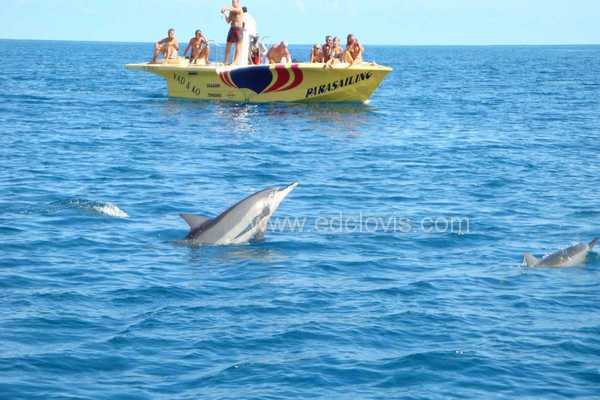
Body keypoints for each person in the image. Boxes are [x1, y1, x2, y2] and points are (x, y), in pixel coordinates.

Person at [221, 0, 244, 65]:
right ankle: (226, 61)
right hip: (232, 29)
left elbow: (234, 10)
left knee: (238, 47)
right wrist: (224, 13)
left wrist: (225, 8)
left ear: (238, 2)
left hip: (238, 29)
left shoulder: (240, 8)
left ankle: (235, 62)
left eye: (234, 2)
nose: (232, 3)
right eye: (232, 2)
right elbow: (228, 21)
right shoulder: (231, 11)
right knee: (228, 45)